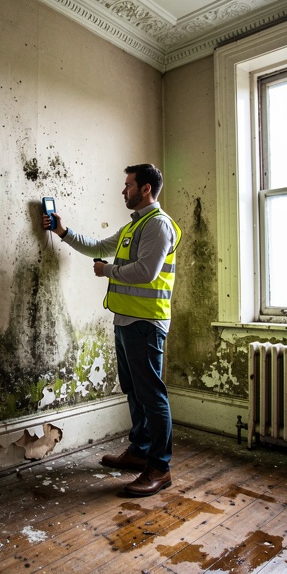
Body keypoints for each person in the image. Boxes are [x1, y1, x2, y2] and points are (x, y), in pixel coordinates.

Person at [42, 164, 182, 497]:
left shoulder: (158, 226)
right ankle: (139, 452)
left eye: (128, 185)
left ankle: (160, 468)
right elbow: (96, 247)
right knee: (134, 390)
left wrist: (108, 271)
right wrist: (63, 232)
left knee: (152, 396)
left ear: (145, 189)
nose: (124, 191)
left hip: (147, 323)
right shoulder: (134, 227)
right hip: (126, 321)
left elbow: (147, 272)